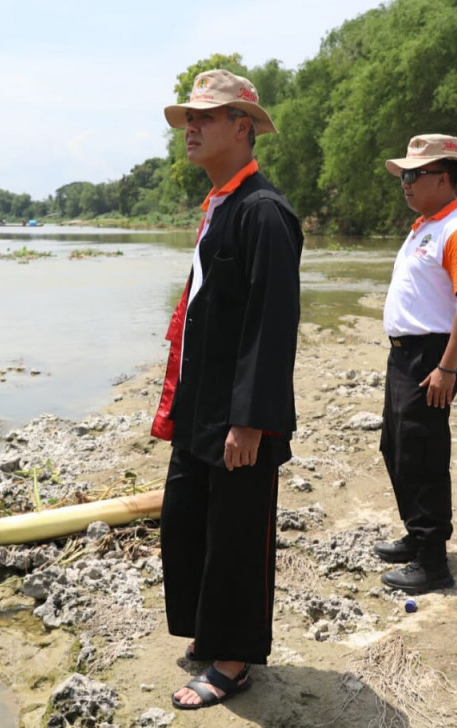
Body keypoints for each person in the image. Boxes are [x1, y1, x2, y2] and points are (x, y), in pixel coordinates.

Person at [151, 69, 303, 710]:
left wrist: (251, 420)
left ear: (243, 127)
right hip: (200, 406)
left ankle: (234, 659)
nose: (192, 127)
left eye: (205, 118)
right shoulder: (222, 205)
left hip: (240, 415)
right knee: (188, 523)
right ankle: (210, 636)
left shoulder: (263, 213)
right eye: (189, 117)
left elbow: (272, 328)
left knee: (239, 536)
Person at [373, 134, 457, 594]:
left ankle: (433, 561)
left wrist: (446, 367)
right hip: (405, 354)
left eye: (413, 175)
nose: (404, 182)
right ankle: (416, 536)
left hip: (431, 356)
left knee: (422, 453)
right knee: (395, 446)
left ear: (443, 178)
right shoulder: (426, 223)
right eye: (403, 174)